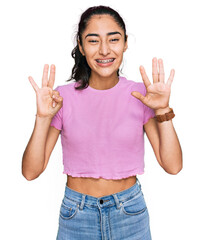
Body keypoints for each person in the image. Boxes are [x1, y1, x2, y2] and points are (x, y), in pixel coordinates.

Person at [22, 5, 182, 240]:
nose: (105, 50)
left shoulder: (141, 94)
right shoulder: (60, 97)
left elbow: (173, 166)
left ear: (125, 43)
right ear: (81, 45)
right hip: (77, 216)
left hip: (130, 214)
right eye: (93, 40)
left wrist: (162, 109)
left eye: (114, 39)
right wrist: (43, 118)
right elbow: (30, 171)